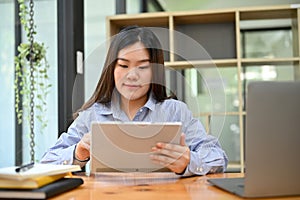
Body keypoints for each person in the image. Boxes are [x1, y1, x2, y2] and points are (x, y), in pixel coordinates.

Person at [41, 26, 228, 176]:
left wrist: (189, 162)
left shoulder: (175, 111)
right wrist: (78, 152)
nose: (132, 75)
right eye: (123, 65)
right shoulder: (93, 114)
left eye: (142, 67)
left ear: (155, 70)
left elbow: (218, 158)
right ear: (112, 69)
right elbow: (47, 162)